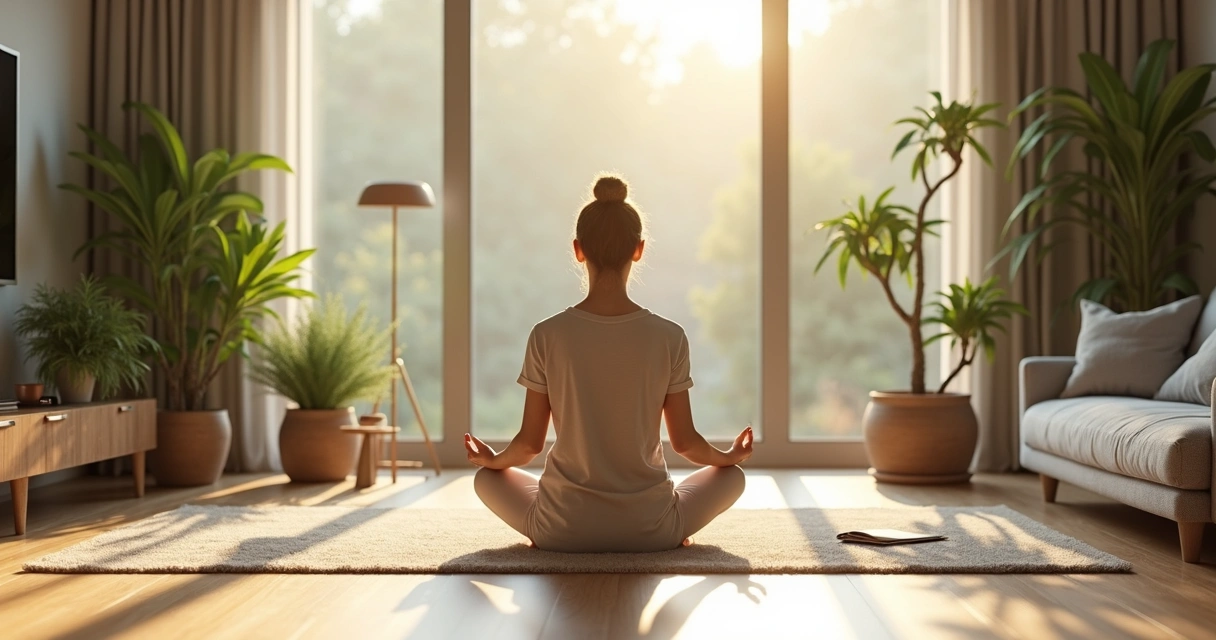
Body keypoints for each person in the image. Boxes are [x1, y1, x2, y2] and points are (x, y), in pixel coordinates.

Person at [465, 174, 752, 553]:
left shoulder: (547, 334)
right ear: (639, 249)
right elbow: (685, 443)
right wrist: (728, 457)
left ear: (578, 249)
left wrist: (495, 459)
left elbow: (529, 444)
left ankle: (557, 521)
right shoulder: (669, 336)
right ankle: (668, 523)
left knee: (487, 479)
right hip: (652, 530)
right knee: (733, 478)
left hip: (561, 530)